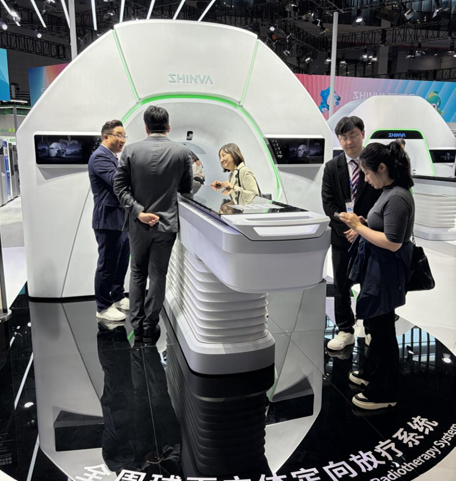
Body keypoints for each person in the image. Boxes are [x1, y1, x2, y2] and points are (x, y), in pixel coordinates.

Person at [339, 141, 415, 410]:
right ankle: (372, 375)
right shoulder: (389, 192)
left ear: (382, 168)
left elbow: (393, 242)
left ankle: (385, 392)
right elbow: (383, 226)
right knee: (375, 324)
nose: (366, 179)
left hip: (386, 272)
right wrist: (363, 223)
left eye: (368, 173)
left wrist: (359, 227)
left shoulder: (397, 197)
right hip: (378, 270)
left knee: (382, 331)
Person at [113, 106, 193, 345]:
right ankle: (150, 326)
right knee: (158, 275)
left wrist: (139, 212)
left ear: (146, 128)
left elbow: (119, 187)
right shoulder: (182, 152)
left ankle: (136, 325)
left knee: (137, 272)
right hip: (166, 225)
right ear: (168, 126)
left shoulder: (130, 151)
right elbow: (186, 188)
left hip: (138, 226)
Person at [322, 116, 382, 352]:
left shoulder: (376, 164)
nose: (348, 142)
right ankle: (345, 330)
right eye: (343, 137)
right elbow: (328, 205)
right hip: (342, 238)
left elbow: (381, 201)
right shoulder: (331, 167)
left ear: (363, 134)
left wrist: (361, 229)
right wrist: (348, 229)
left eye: (353, 135)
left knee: (371, 285)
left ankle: (371, 329)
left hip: (371, 237)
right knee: (341, 286)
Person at [88, 120, 130, 321]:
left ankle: (118, 296)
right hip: (108, 220)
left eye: (124, 136)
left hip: (121, 219)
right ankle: (103, 306)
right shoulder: (100, 157)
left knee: (121, 262)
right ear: (106, 137)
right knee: (107, 264)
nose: (123, 140)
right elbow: (117, 181)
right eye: (119, 135)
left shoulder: (112, 157)